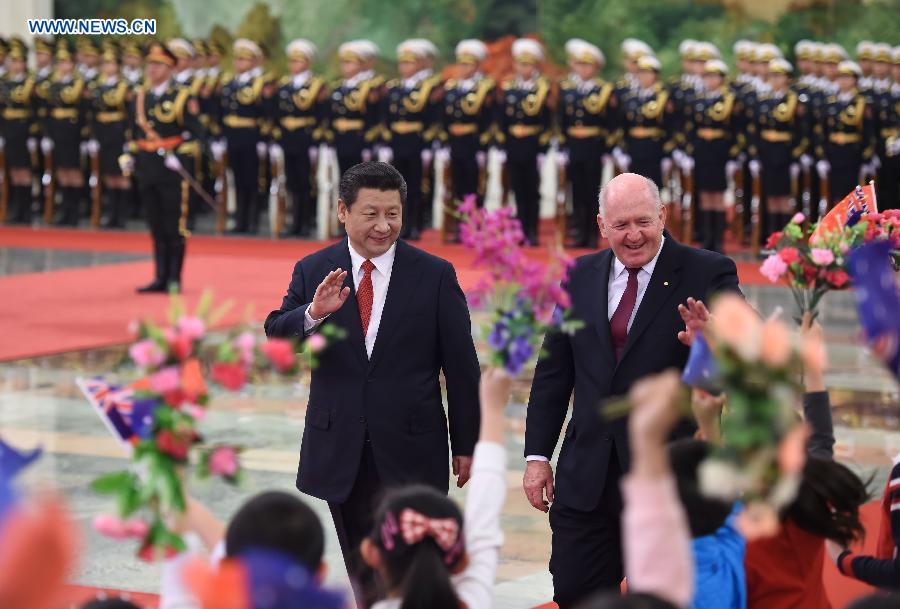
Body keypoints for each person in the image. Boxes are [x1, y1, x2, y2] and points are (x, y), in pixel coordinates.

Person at [264, 162, 480, 608]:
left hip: (411, 447)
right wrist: (312, 315)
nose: (384, 226)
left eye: (393, 214)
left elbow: (461, 366)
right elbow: (278, 338)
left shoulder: (434, 274)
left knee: (412, 567)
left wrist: (467, 443)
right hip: (341, 445)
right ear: (343, 211)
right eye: (371, 214)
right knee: (362, 567)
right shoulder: (315, 268)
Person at [524, 172, 741, 608]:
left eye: (643, 221)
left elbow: (752, 360)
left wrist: (718, 346)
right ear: (602, 226)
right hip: (588, 475)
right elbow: (554, 371)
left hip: (667, 476)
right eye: (621, 225)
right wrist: (536, 456)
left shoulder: (708, 271)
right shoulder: (579, 275)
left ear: (662, 216)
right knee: (573, 592)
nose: (634, 234)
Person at [361, 366, 510, 609]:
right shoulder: (475, 600)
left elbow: (485, 512)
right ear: (462, 561)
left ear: (370, 552)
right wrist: (493, 409)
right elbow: (486, 500)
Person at [124, 43, 203, 293]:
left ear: (169, 68)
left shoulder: (182, 97)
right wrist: (128, 154)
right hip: (148, 168)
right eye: (151, 65)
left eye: (158, 65)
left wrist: (180, 154)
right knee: (155, 225)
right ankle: (159, 277)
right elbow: (134, 133)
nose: (152, 69)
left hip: (172, 171)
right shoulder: (141, 97)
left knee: (174, 226)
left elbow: (197, 136)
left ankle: (173, 279)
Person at [380, 39, 444, 241]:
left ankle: (415, 224)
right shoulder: (394, 87)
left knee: (416, 186)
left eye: (410, 63)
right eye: (402, 63)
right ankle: (401, 224)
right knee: (398, 189)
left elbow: (434, 118)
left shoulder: (429, 87)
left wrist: (428, 145)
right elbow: (386, 118)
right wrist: (386, 143)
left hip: (417, 142)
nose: (404, 67)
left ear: (420, 64)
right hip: (398, 142)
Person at [558, 39, 615, 249]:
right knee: (576, 190)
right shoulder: (568, 90)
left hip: (593, 146)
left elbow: (611, 121)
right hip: (574, 145)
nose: (584, 69)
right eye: (580, 64)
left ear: (596, 67)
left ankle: (592, 234)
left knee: (593, 192)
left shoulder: (603, 90)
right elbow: (562, 120)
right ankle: (579, 232)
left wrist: (608, 148)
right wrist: (562, 147)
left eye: (588, 65)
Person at [496, 38, 553, 246]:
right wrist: (501, 146)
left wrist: (543, 150)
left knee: (532, 190)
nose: (524, 68)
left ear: (535, 65)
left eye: (528, 64)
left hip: (532, 145)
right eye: (520, 64)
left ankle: (532, 230)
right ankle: (520, 230)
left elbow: (547, 122)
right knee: (517, 189)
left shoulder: (542, 89)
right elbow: (502, 120)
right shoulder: (510, 88)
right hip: (513, 145)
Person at [269, 38, 328, 237]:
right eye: (292, 61)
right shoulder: (285, 85)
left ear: (308, 62)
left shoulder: (316, 86)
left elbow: (321, 115)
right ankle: (294, 222)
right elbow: (277, 114)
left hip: (305, 138)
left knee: (305, 182)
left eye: (299, 60)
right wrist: (277, 139)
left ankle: (306, 222)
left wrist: (315, 142)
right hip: (288, 138)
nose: (294, 64)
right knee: (292, 183)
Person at [684, 59, 740, 253]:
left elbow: (735, 130)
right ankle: (707, 239)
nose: (710, 80)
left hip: (720, 152)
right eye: (707, 76)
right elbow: (690, 127)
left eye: (714, 76)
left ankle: (718, 240)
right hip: (702, 152)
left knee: (717, 196)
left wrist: (734, 156)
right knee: (704, 195)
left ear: (722, 78)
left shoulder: (730, 100)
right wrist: (689, 152)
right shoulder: (698, 100)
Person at [748, 58, 807, 241]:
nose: (775, 79)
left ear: (787, 78)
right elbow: (755, 129)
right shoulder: (764, 100)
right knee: (771, 196)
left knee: (785, 198)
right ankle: (773, 236)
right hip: (767, 153)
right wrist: (755, 155)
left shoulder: (794, 101)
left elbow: (802, 130)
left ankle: (785, 237)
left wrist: (797, 156)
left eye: (779, 76)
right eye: (772, 75)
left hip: (785, 153)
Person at [439, 39, 494, 226]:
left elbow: (489, 120)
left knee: (474, 184)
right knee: (456, 184)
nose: (463, 68)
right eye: (461, 64)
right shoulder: (451, 88)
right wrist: (444, 142)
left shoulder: (485, 88)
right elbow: (445, 119)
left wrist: (483, 147)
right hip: (455, 142)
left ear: (477, 65)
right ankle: (459, 223)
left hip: (473, 142)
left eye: (468, 64)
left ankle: (475, 222)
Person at [218, 38, 266, 234]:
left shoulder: (259, 84)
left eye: (244, 59)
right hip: (233, 136)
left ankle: (252, 220)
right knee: (236, 179)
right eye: (237, 59)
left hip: (250, 136)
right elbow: (223, 112)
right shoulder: (230, 84)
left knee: (251, 179)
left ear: (253, 61)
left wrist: (264, 139)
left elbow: (266, 113)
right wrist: (222, 136)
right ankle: (240, 220)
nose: (239, 63)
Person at [814, 60, 874, 206]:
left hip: (853, 153)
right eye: (840, 77)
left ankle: (853, 228)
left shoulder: (862, 102)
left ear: (855, 80)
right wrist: (822, 156)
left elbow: (869, 132)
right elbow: (822, 131)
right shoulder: (830, 102)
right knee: (835, 195)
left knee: (853, 196)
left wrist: (867, 158)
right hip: (834, 153)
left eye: (847, 77)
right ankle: (837, 227)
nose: (843, 81)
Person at [87, 43, 132, 228]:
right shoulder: (97, 86)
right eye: (105, 63)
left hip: (119, 132)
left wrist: (129, 137)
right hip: (103, 133)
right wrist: (92, 136)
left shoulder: (125, 86)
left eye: (112, 63)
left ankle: (122, 214)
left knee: (121, 174)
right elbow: (92, 112)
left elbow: (130, 113)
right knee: (108, 174)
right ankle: (111, 212)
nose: (108, 67)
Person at [615, 55, 675, 189]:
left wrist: (668, 154)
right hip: (634, 148)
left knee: (652, 189)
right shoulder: (630, 97)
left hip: (654, 148)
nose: (644, 76)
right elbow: (624, 126)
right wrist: (622, 149)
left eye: (648, 73)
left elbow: (670, 126)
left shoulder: (663, 97)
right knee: (634, 189)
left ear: (655, 75)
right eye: (640, 73)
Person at [328, 41, 385, 175]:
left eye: (350, 62)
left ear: (362, 64)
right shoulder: (338, 87)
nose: (345, 66)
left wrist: (371, 141)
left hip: (360, 139)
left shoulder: (370, 87)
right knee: (344, 180)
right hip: (340, 139)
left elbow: (375, 115)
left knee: (363, 181)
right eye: (343, 62)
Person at [0, 39, 37, 224]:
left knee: (24, 170)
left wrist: (33, 132)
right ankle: (16, 207)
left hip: (23, 128)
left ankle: (26, 208)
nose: (15, 65)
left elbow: (36, 109)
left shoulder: (30, 81)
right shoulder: (4, 81)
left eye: (19, 61)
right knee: (13, 170)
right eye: (13, 61)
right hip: (8, 128)